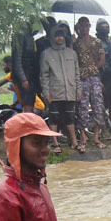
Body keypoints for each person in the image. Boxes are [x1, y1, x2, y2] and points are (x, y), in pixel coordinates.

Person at [39, 23, 80, 153]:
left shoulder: (72, 53)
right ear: (52, 37)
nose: (59, 38)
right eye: (56, 36)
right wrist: (46, 93)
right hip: (54, 91)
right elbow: (44, 76)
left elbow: (77, 73)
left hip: (70, 91)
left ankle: (74, 142)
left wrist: (79, 90)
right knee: (54, 117)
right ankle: (55, 143)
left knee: (70, 117)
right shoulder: (46, 54)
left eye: (61, 36)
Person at [73, 16, 107, 151]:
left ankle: (97, 137)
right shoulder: (75, 44)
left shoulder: (96, 42)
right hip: (81, 79)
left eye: (87, 26)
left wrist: (93, 69)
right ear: (78, 27)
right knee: (82, 107)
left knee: (98, 106)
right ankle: (83, 137)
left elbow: (102, 60)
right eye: (82, 26)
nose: (85, 28)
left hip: (94, 78)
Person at [11, 20, 42, 113]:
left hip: (32, 74)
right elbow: (17, 59)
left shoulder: (30, 37)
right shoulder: (20, 36)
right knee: (27, 102)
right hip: (26, 75)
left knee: (31, 100)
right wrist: (23, 78)